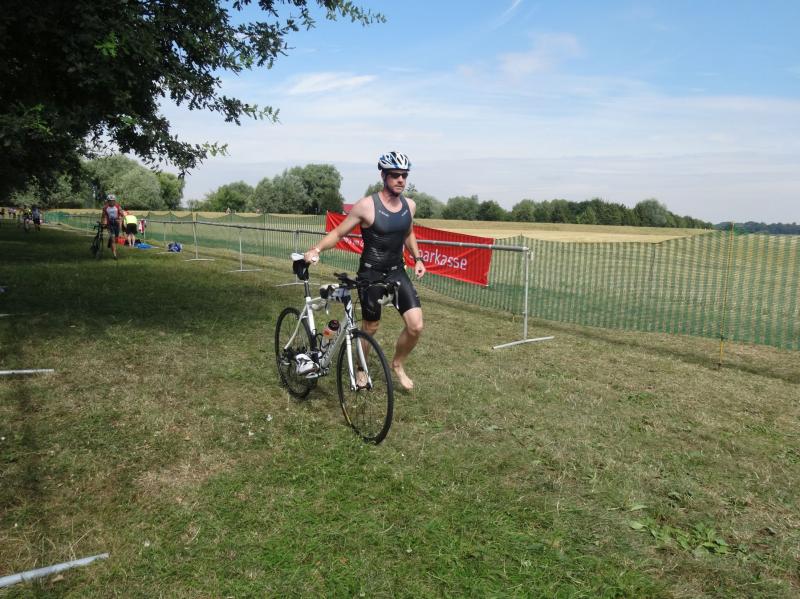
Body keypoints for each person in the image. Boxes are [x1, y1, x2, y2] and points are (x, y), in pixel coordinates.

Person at [303, 151, 425, 390]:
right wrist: (316, 249)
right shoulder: (367, 206)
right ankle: (361, 367)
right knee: (371, 327)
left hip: (397, 272)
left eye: (404, 175)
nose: (400, 179)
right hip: (371, 274)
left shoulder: (409, 206)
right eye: (395, 175)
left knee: (416, 326)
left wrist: (418, 258)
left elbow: (408, 233)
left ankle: (397, 363)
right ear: (384, 176)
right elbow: (339, 233)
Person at [101, 194, 123, 259]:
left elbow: (122, 214)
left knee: (116, 238)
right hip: (109, 224)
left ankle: (110, 240)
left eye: (113, 201)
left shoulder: (118, 206)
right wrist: (103, 223)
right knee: (113, 239)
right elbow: (103, 216)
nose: (111, 202)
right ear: (108, 201)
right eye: (110, 201)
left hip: (116, 224)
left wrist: (120, 218)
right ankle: (115, 255)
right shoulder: (105, 208)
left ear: (115, 201)